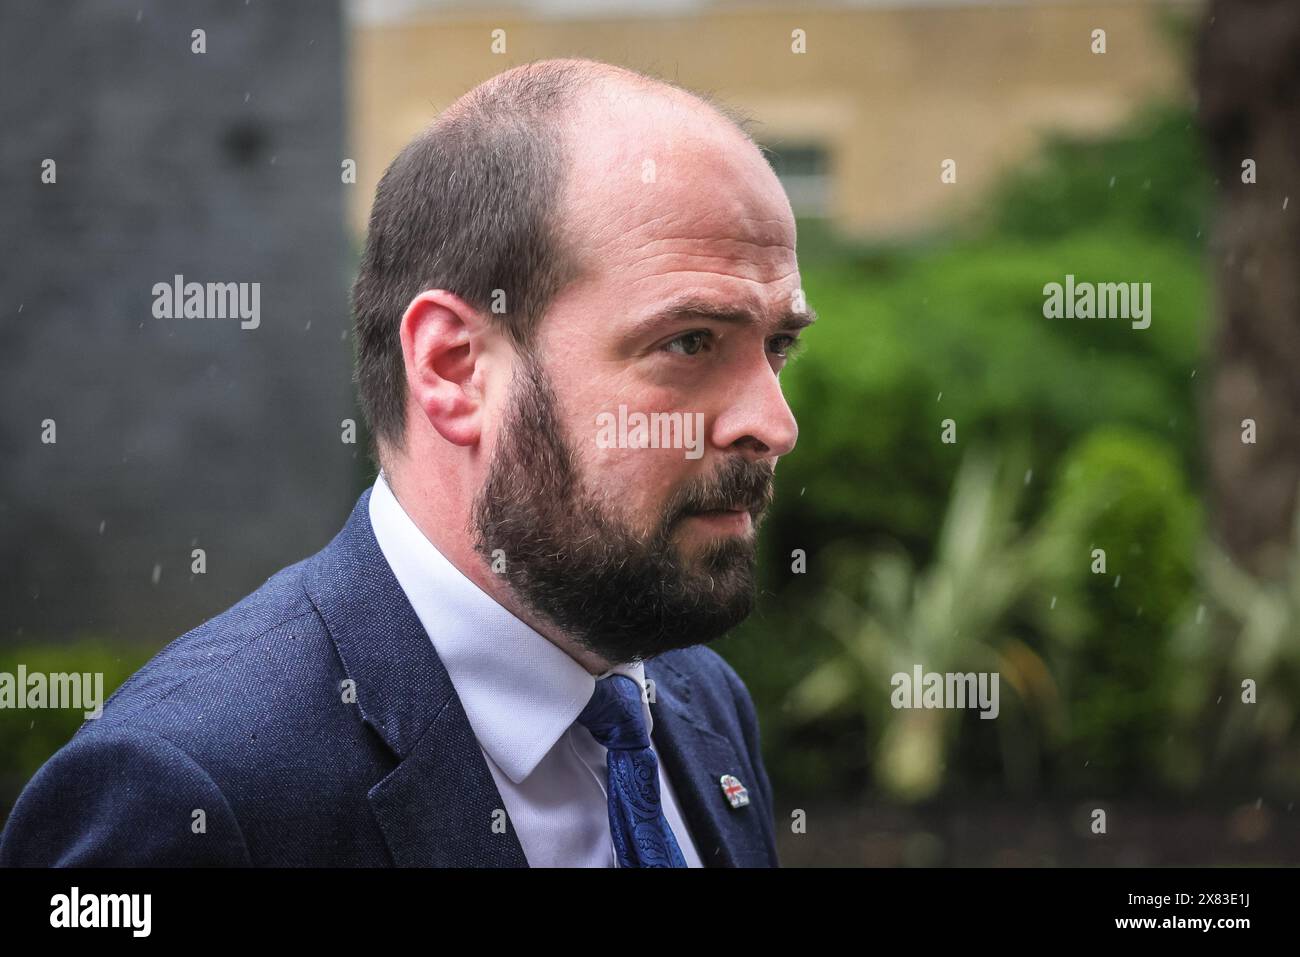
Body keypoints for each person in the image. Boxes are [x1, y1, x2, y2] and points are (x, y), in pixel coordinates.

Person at [0, 57, 813, 867]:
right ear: (455, 369)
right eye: (689, 342)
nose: (774, 424)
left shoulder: (698, 701)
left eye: (777, 346)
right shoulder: (189, 795)